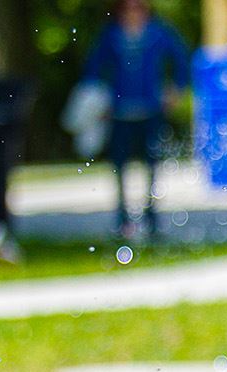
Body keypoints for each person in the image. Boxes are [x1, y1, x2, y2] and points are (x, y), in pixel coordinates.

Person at [80, 0, 192, 241]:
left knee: (151, 166)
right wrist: (97, 99)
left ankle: (151, 219)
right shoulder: (111, 35)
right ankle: (122, 220)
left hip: (150, 110)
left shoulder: (158, 32)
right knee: (119, 166)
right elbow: (93, 68)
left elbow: (181, 58)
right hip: (119, 111)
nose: (133, 12)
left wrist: (176, 90)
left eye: (138, 7)